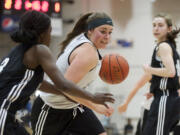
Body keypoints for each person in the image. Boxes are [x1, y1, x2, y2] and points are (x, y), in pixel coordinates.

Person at [0, 10, 115, 135]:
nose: (51, 36)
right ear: (42, 33)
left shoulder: (18, 50)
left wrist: (72, 96)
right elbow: (64, 85)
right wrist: (93, 98)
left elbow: (39, 83)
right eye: (50, 32)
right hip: (28, 110)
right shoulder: (40, 50)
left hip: (67, 107)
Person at [119, 13, 180, 135]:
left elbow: (171, 72)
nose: (156, 28)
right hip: (161, 97)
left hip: (165, 98)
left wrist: (149, 69)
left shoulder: (164, 46)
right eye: (154, 25)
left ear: (169, 29)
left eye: (160, 25)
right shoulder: (165, 46)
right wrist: (153, 88)